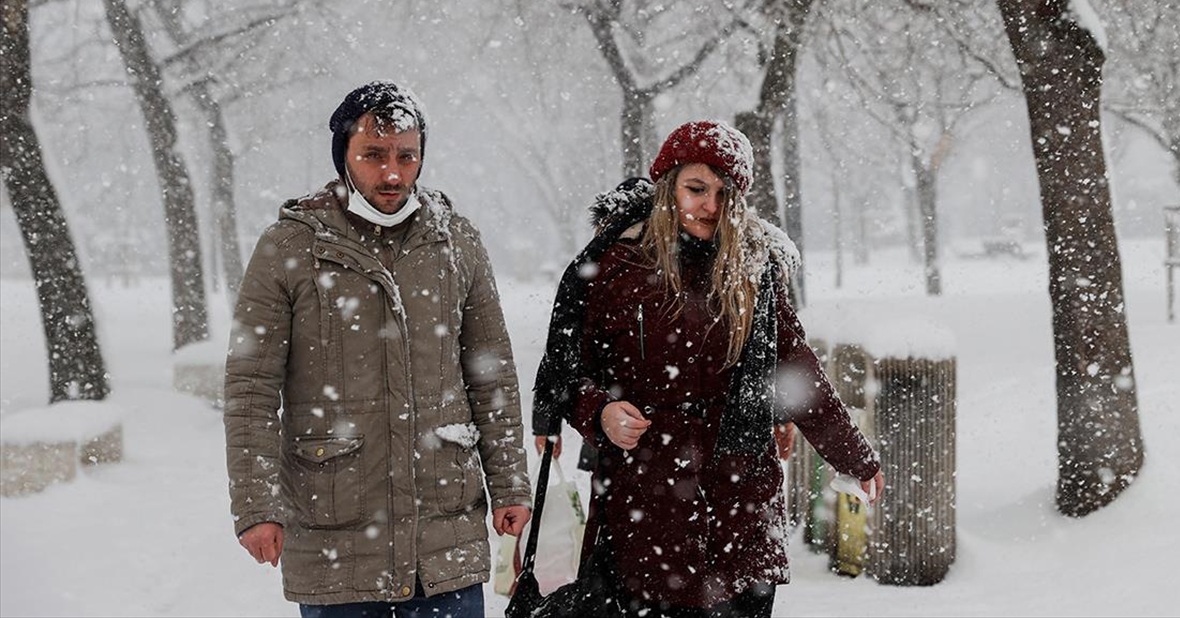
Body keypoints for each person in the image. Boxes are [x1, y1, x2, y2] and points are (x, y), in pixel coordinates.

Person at [531, 120, 884, 618]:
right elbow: (565, 369)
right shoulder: (617, 266)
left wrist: (853, 456)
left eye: (724, 193)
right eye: (696, 189)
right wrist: (601, 413)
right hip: (646, 507)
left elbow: (797, 368)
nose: (710, 207)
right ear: (668, 184)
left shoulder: (755, 269)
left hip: (741, 506)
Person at [223, 80, 532, 618]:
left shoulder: (456, 243)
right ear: (343, 155)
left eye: (406, 156)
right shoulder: (290, 248)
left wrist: (509, 483)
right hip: (336, 537)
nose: (392, 173)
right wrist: (256, 505)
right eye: (373, 155)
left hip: (445, 538)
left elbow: (491, 374)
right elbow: (250, 388)